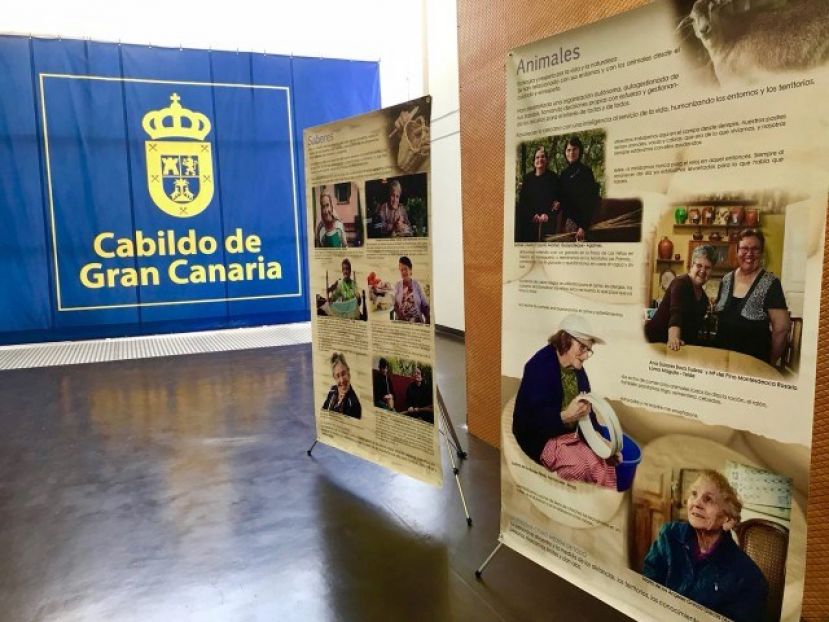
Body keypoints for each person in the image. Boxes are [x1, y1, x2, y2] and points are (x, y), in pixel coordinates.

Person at [643, 470, 768, 622]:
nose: (696, 503)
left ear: (727, 520)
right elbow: (648, 580)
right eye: (694, 494)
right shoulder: (669, 535)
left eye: (708, 499)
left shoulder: (748, 579)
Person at [512, 314, 617, 488]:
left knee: (604, 465)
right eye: (582, 347)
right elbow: (532, 422)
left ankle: (600, 508)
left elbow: (588, 414)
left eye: (588, 349)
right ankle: (576, 508)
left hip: (569, 433)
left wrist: (602, 443)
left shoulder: (578, 371)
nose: (585, 356)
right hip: (540, 437)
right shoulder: (538, 367)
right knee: (579, 467)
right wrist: (564, 417)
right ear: (564, 339)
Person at [713, 229, 790, 364]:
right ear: (737, 251)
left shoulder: (771, 283)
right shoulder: (725, 280)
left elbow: (782, 329)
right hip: (722, 360)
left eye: (755, 249)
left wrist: (770, 362)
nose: (749, 254)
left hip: (753, 364)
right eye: (744, 249)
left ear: (761, 253)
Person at [645, 245, 716, 350]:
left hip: (673, 349)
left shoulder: (704, 299)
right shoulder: (680, 283)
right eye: (699, 265)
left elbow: (692, 331)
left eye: (707, 267)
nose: (703, 270)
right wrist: (674, 338)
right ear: (691, 266)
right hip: (651, 343)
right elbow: (676, 314)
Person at [516, 145, 561, 242]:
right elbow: (522, 202)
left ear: (547, 160)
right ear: (533, 161)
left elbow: (557, 201)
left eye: (543, 156)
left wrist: (548, 215)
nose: (540, 159)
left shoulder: (553, 178)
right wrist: (532, 215)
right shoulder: (527, 178)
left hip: (547, 221)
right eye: (537, 157)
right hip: (529, 220)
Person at [559, 136, 600, 242]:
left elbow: (590, 200)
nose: (571, 153)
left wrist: (583, 227)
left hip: (583, 224)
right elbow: (562, 198)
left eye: (574, 149)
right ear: (565, 152)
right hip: (568, 222)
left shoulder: (586, 171)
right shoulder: (563, 174)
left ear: (580, 151)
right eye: (568, 150)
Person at [322, 353, 361, 418]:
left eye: (343, 374)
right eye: (337, 376)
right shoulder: (332, 390)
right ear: (334, 377)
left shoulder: (354, 404)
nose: (342, 380)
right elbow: (324, 411)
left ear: (348, 372)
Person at [393, 256, 430, 324]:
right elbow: (394, 304)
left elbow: (425, 305)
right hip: (401, 321)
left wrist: (428, 317)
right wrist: (400, 315)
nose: (403, 272)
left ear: (410, 270)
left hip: (416, 321)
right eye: (401, 270)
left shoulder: (417, 285)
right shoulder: (397, 285)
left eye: (405, 269)